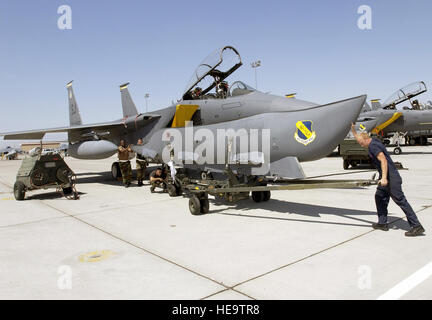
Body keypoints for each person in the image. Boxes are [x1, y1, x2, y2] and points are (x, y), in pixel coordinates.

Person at [351, 123, 425, 236]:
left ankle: (416, 226)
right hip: (385, 177)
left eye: (361, 143)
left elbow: (383, 161)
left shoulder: (373, 146)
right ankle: (382, 223)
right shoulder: (372, 140)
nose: (361, 145)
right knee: (379, 197)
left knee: (400, 200)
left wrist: (384, 178)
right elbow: (359, 137)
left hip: (391, 178)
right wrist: (352, 129)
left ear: (366, 139)